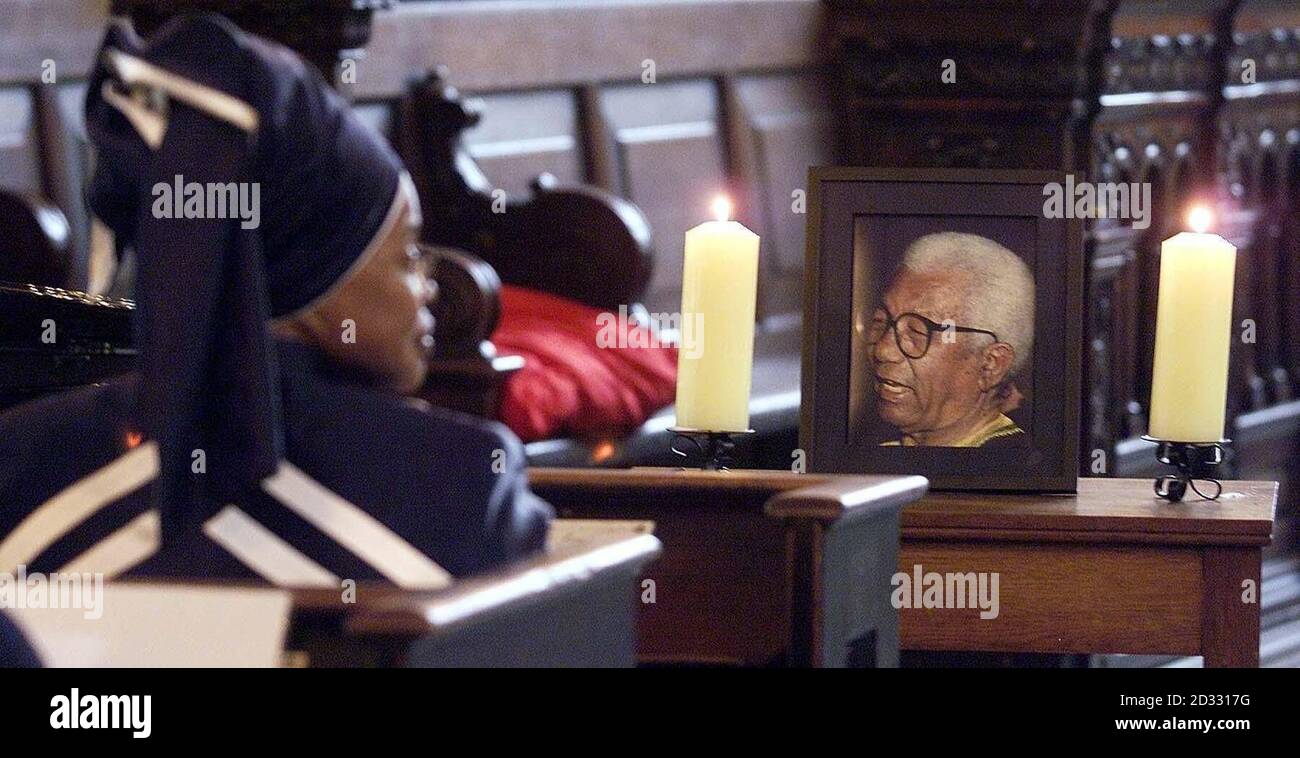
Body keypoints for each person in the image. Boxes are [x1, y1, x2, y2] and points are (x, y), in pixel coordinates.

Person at [0, 13, 551, 587]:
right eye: (409, 254)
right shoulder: (460, 485)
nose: (430, 285)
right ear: (319, 278)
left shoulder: (24, 457)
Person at [864, 232, 1034, 448]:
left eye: (917, 332)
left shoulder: (1012, 470)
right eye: (881, 321)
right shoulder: (869, 457)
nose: (883, 350)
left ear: (991, 365)